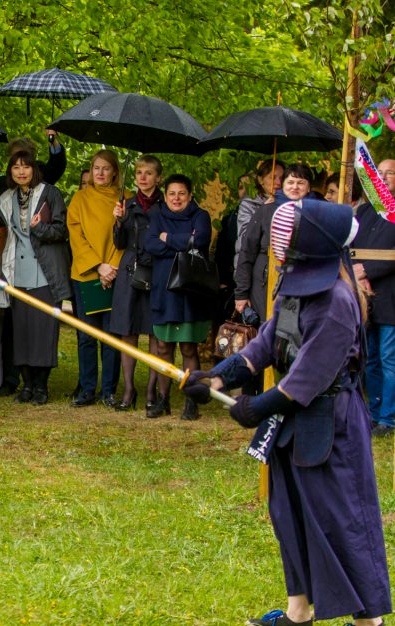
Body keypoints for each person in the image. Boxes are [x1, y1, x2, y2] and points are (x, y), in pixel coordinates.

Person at [184, 199, 390, 626]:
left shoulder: (337, 301)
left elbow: (307, 379)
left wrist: (257, 407)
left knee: (342, 522)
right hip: (292, 423)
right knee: (289, 512)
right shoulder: (294, 285)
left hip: (332, 423)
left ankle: (369, 623)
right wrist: (219, 377)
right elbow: (267, 341)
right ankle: (298, 613)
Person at [0, 131, 67, 397]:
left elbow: (60, 231)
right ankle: (26, 385)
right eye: (16, 166)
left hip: (44, 272)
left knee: (43, 330)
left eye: (26, 166)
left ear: (34, 168)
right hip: (16, 272)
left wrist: (41, 228)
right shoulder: (4, 197)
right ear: (10, 170)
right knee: (21, 330)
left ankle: (41, 385)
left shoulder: (50, 194)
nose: (21, 171)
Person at [144, 174, 213, 420]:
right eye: (171, 193)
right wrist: (183, 242)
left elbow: (201, 239)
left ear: (190, 195)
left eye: (181, 193)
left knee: (188, 347)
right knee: (163, 347)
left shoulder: (200, 216)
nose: (176, 198)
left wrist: (168, 239)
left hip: (189, 291)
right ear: (165, 196)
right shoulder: (157, 216)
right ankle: (163, 400)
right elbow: (150, 244)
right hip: (164, 290)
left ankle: (191, 402)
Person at [66, 149, 124, 407]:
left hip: (115, 274)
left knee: (111, 335)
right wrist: (98, 266)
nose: (100, 173)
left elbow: (125, 240)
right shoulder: (79, 199)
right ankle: (88, 388)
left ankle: (109, 390)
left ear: (114, 172)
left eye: (106, 168)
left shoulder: (125, 200)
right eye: (96, 168)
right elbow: (76, 237)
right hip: (86, 273)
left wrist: (112, 266)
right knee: (87, 335)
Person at [109, 154, 162, 412]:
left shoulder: (165, 205)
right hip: (129, 271)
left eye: (148, 173)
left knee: (154, 332)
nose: (142, 177)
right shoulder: (126, 204)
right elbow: (118, 243)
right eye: (139, 172)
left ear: (158, 178)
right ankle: (129, 390)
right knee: (127, 332)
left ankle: (152, 390)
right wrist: (118, 221)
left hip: (155, 271)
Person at [235, 164, 316, 322]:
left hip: (301, 282)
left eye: (300, 183)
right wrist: (241, 293)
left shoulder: (316, 214)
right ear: (283, 185)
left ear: (308, 187)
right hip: (264, 284)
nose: (295, 187)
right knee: (266, 332)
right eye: (290, 182)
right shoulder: (265, 211)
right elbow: (247, 251)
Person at [353, 158, 395, 436]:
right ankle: (373, 412)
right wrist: (358, 273)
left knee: (389, 359)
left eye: (389, 173)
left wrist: (367, 269)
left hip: (391, 297)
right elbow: (352, 246)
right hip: (365, 297)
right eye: (379, 173)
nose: (384, 178)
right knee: (370, 359)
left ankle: (388, 418)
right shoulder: (365, 211)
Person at [233, 159, 285, 271]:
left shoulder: (287, 205)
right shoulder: (249, 204)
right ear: (261, 180)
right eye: (272, 177)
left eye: (282, 178)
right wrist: (263, 212)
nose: (278, 183)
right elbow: (244, 240)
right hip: (250, 267)